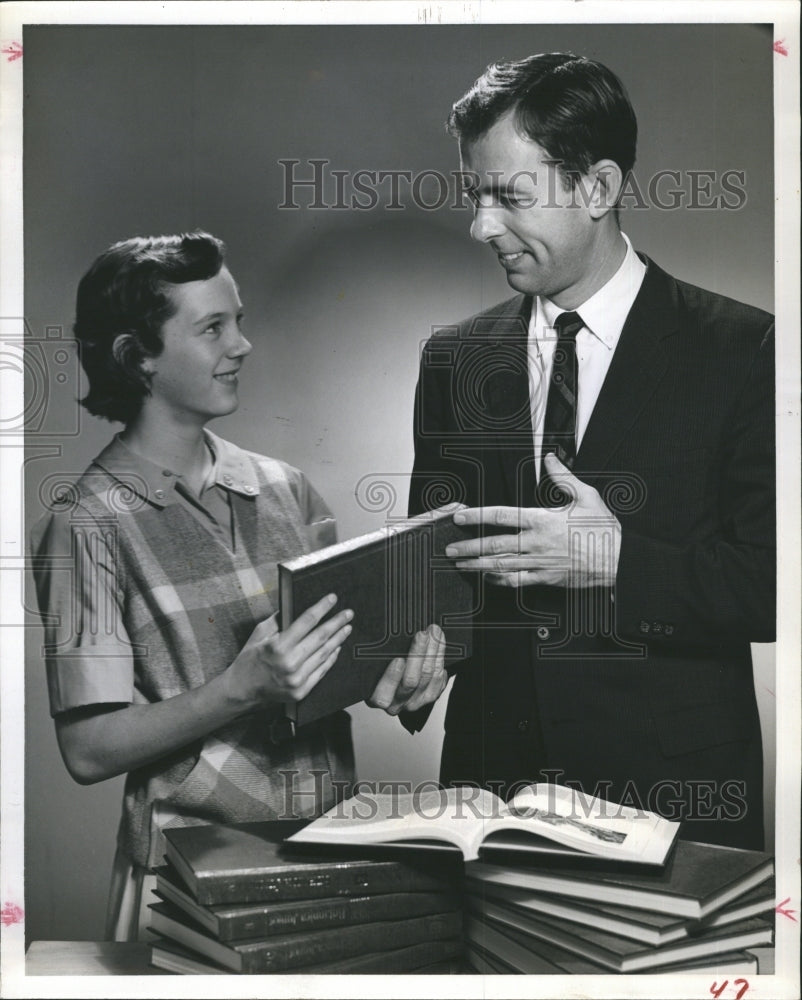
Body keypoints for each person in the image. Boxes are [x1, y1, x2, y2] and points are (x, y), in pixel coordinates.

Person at [31, 231, 448, 940]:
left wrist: (404, 680)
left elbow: (341, 664)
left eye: (240, 321)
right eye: (212, 328)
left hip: (328, 851)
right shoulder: (86, 525)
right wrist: (239, 688)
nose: (243, 345)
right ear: (138, 357)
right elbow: (89, 749)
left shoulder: (288, 489)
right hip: (186, 880)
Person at [408, 53, 774, 850]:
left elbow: (775, 584)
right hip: (489, 793)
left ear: (599, 188)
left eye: (509, 197)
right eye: (476, 196)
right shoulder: (453, 359)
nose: (481, 227)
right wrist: (408, 658)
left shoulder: (748, 351)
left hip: (676, 805)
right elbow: (434, 574)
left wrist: (615, 561)